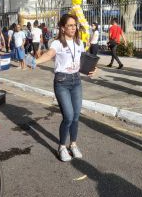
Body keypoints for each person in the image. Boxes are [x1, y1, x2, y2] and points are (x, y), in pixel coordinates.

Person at [31, 14, 96, 162]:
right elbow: (49, 54)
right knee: (68, 116)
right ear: (62, 28)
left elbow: (80, 61)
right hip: (62, 82)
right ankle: (62, 146)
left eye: (75, 25)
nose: (73, 28)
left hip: (76, 81)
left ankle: (73, 144)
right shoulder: (57, 43)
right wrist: (36, 61)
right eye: (70, 25)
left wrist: (91, 69)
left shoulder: (79, 42)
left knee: (76, 117)